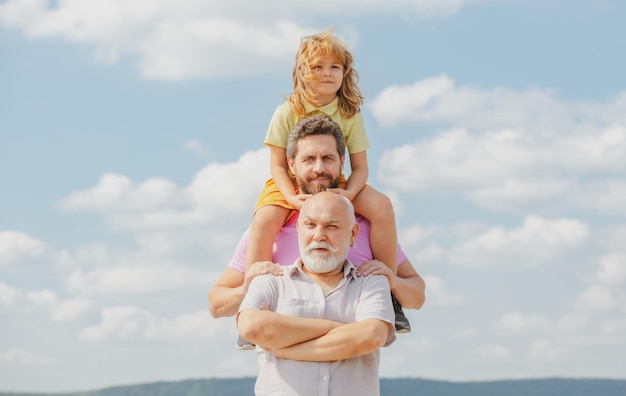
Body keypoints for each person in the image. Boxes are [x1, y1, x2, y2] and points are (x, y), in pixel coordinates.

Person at [208, 115, 425, 348]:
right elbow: (216, 302)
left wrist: (393, 282)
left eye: (328, 158)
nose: (319, 168)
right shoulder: (268, 229)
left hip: (352, 374)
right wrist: (245, 290)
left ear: (342, 161)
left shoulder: (363, 226)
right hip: (287, 379)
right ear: (291, 164)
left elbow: (417, 294)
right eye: (309, 159)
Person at [246, 29, 406, 328]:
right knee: (266, 217)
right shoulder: (286, 112)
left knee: (382, 205)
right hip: (289, 183)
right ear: (303, 73)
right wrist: (291, 198)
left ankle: (390, 293)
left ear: (345, 73)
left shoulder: (349, 114)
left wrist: (348, 195)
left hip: (339, 181)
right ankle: (255, 301)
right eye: (318, 67)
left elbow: (360, 168)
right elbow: (279, 166)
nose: (327, 74)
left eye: (335, 67)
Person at [238, 191, 395, 396]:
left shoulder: (372, 281)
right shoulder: (270, 278)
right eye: (310, 225)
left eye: (331, 226)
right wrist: (341, 329)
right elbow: (251, 327)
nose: (319, 235)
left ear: (353, 234)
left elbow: (371, 336)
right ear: (298, 229)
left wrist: (287, 348)